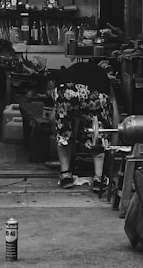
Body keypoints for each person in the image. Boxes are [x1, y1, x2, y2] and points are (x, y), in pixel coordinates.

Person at [50, 61, 115, 192]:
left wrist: (59, 130)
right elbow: (114, 112)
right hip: (93, 92)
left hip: (64, 90)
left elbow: (52, 116)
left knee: (64, 133)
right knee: (98, 132)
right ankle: (99, 178)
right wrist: (113, 137)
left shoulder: (71, 71)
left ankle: (65, 174)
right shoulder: (103, 79)